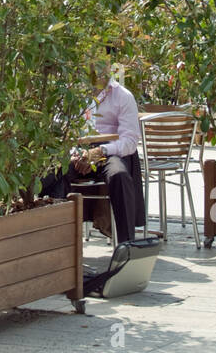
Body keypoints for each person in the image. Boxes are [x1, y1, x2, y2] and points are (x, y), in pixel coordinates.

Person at [44, 58, 145, 244]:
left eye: (101, 64)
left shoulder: (123, 96)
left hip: (111, 151)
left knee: (119, 176)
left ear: (110, 66)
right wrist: (76, 153)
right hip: (80, 149)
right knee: (52, 173)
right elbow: (66, 130)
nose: (97, 69)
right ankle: (54, 242)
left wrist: (101, 150)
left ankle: (127, 244)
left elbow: (130, 141)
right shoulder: (75, 94)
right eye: (91, 63)